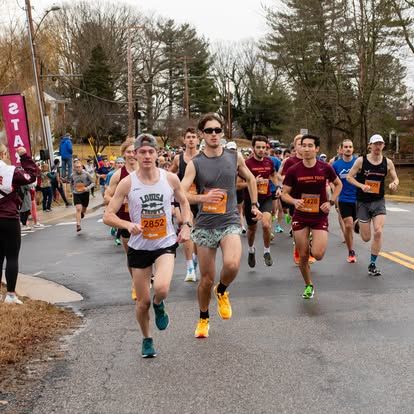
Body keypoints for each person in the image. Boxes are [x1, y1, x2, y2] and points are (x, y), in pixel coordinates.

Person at [103, 134, 191, 358]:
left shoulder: (170, 179)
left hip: (165, 243)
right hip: (139, 246)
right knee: (142, 303)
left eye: (151, 151)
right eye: (142, 152)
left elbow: (183, 201)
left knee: (161, 288)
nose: (147, 156)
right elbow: (108, 215)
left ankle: (159, 303)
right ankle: (147, 338)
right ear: (135, 154)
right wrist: (126, 224)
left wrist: (187, 224)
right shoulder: (127, 182)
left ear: (157, 154)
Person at [181, 113, 262, 338]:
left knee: (233, 264)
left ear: (223, 132)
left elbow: (252, 179)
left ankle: (223, 290)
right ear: (201, 135)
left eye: (217, 130)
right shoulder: (195, 163)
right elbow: (182, 192)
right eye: (209, 131)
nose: (214, 134)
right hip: (205, 225)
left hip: (229, 221)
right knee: (206, 279)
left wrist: (254, 204)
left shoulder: (234, 156)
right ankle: (203, 318)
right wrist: (202, 199)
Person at [282, 134, 342, 299]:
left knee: (318, 254)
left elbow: (339, 184)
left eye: (310, 146)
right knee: (302, 255)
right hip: (300, 215)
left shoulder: (325, 168)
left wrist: (330, 202)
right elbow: (284, 194)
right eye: (303, 145)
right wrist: (294, 201)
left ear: (316, 149)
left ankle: (311, 242)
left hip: (319, 215)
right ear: (298, 148)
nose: (306, 149)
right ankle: (309, 285)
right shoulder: (293, 170)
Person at [346, 134, 399, 276]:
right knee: (366, 238)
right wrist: (361, 185)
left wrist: (394, 183)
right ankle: (359, 222)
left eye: (380, 144)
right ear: (370, 145)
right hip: (363, 202)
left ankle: (372, 264)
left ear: (383, 146)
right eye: (375, 144)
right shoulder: (360, 161)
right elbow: (349, 177)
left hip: (378, 201)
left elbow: (395, 177)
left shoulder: (387, 162)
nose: (377, 146)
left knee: (378, 231)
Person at [0, 144, 39, 304]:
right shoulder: (10, 171)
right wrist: (24, 157)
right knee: (12, 256)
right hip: (9, 217)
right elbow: (31, 176)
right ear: (2, 153)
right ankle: (10, 294)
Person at [104, 139, 138, 298]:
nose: (132, 154)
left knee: (148, 253)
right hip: (125, 221)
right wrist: (119, 201)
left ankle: (146, 277)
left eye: (134, 151)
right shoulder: (118, 175)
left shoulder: (146, 171)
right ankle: (135, 283)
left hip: (145, 220)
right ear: (124, 154)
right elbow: (106, 196)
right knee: (131, 254)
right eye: (128, 151)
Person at [243, 136, 280, 267]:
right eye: (258, 147)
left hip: (266, 198)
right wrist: (252, 181)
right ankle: (251, 249)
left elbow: (273, 175)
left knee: (266, 225)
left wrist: (278, 187)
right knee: (252, 229)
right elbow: (237, 183)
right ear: (253, 148)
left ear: (266, 148)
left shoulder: (269, 162)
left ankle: (266, 251)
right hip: (250, 200)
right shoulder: (247, 163)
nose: (261, 150)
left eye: (263, 147)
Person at [170, 127, 200, 282]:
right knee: (185, 225)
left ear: (198, 139)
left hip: (199, 198)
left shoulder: (202, 157)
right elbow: (169, 174)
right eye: (188, 137)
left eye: (193, 137)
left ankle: (194, 258)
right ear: (184, 140)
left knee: (197, 233)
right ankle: (189, 267)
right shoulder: (178, 158)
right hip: (183, 199)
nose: (191, 139)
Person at [332, 139, 358, 263]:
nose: (348, 149)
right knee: (348, 225)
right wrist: (335, 196)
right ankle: (351, 251)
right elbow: (333, 182)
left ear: (353, 149)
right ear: (341, 149)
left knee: (358, 227)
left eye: (350, 147)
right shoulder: (336, 165)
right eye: (346, 147)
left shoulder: (358, 163)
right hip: (344, 199)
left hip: (359, 200)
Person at [70, 159, 94, 232]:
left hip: (85, 193)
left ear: (82, 167)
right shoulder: (72, 175)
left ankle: (82, 214)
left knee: (83, 209)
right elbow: (71, 183)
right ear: (74, 168)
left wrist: (87, 188)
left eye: (79, 167)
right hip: (76, 193)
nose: (78, 168)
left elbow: (93, 183)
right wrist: (72, 191)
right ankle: (78, 225)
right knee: (78, 209)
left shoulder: (86, 174)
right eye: (76, 167)